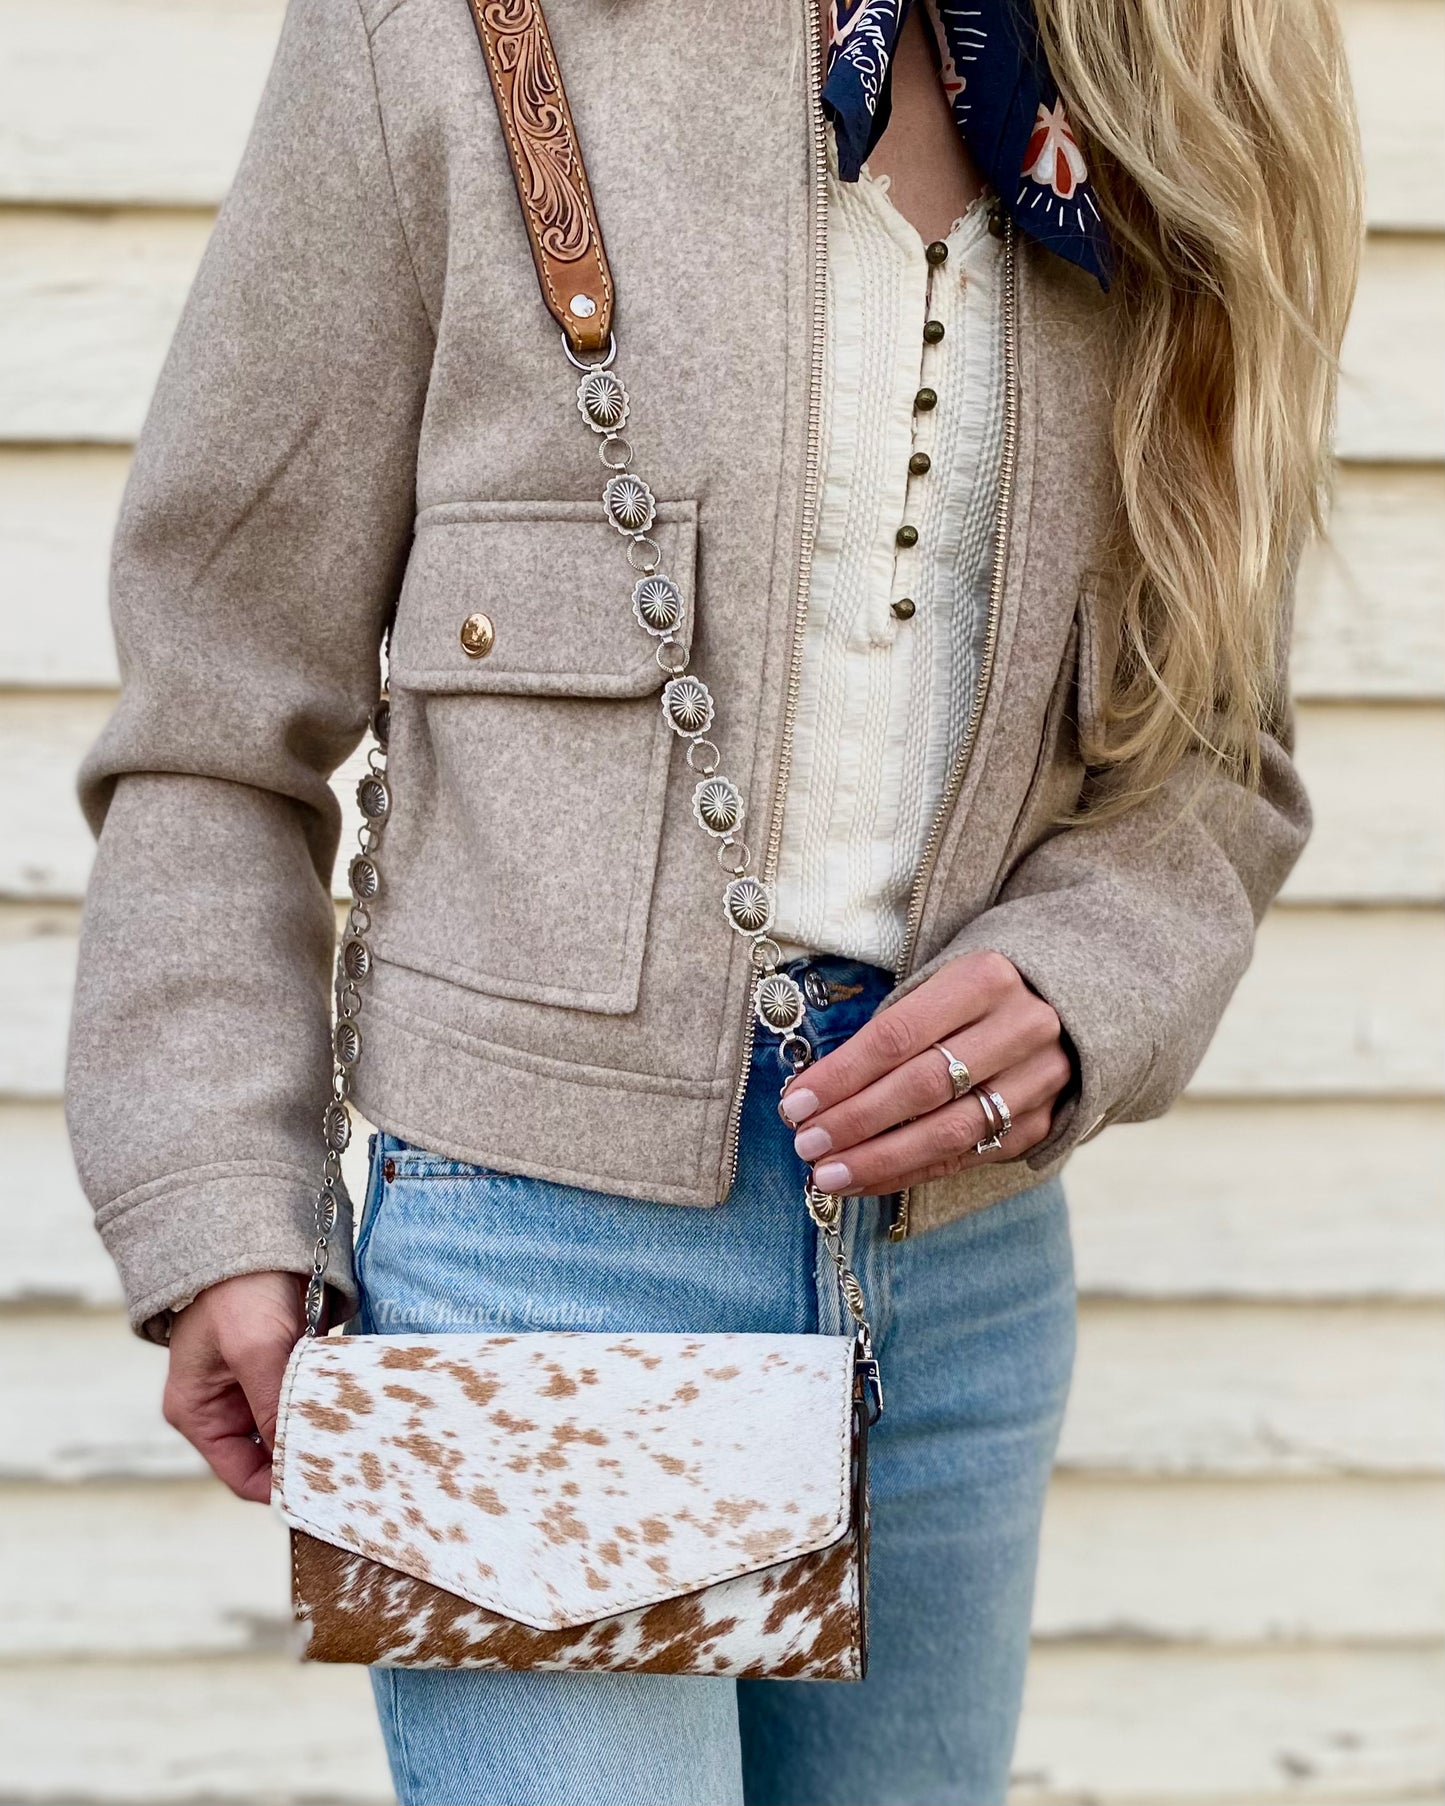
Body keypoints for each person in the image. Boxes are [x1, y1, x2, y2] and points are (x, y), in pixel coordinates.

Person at [65, 0, 1361, 1800]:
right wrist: (213, 1187)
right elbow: (216, 703)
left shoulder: (1188, 75)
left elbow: (1216, 745)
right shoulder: (439, 30)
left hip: (960, 1269)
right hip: (536, 1247)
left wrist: (1083, 981)